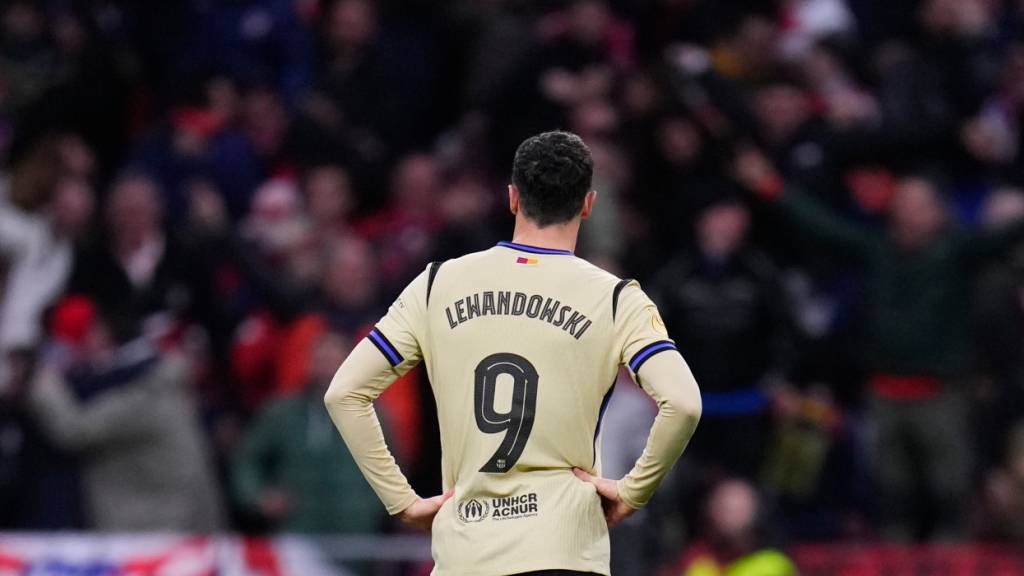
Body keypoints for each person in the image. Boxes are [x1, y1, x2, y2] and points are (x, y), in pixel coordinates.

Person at [325, 131, 702, 575]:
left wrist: (402, 501)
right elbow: (683, 403)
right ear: (587, 204)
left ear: (512, 198)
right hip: (564, 551)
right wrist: (633, 492)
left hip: (466, 555)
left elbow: (344, 393)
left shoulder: (436, 285)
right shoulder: (617, 299)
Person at [734, 148, 1024, 540]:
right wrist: (771, 186)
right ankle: (891, 557)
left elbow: (1007, 233)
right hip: (883, 393)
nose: (910, 213)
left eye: (920, 205)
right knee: (890, 490)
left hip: (941, 393)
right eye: (903, 203)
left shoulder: (957, 252)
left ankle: (953, 558)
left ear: (938, 212)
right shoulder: (875, 249)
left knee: (949, 488)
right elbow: (822, 226)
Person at [232, 329, 384, 533]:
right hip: (295, 531)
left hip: (356, 534)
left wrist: (368, 508)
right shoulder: (283, 413)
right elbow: (248, 460)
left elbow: (394, 470)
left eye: (333, 359)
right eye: (321, 359)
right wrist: (260, 498)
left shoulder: (372, 414)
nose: (326, 367)